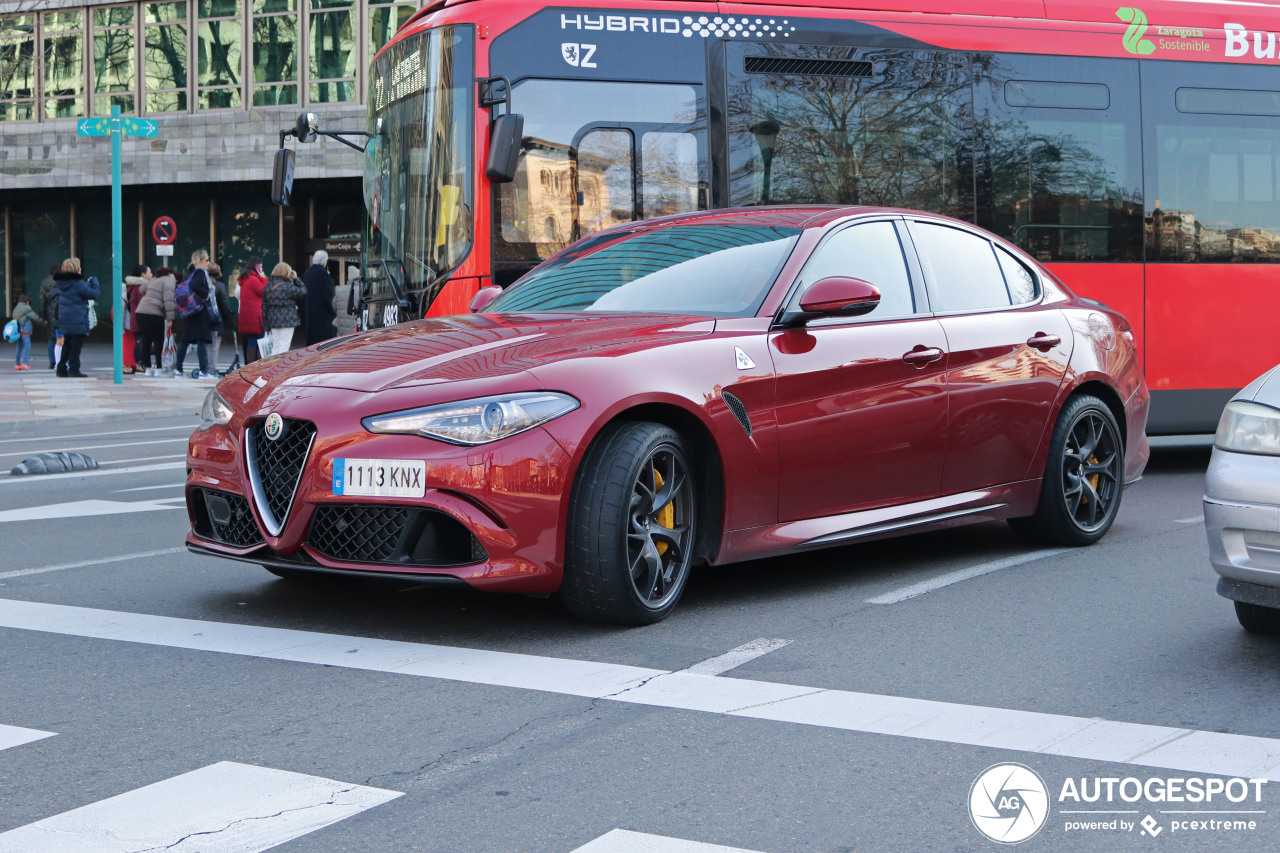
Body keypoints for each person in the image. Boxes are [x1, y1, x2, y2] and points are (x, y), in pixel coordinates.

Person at [53, 257, 100, 378]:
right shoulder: (78, 284)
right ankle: (74, 369)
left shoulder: (61, 283)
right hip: (77, 318)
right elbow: (94, 294)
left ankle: (61, 368)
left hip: (64, 318)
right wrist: (94, 281)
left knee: (67, 343)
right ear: (77, 270)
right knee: (76, 346)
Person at [174, 249, 216, 379]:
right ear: (201, 260)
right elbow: (196, 286)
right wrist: (206, 294)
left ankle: (178, 370)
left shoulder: (190, 272)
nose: (209, 263)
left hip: (189, 310)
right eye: (207, 260)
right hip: (198, 310)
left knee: (185, 339)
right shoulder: (200, 272)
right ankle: (203, 371)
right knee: (202, 339)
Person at [135, 266, 176, 376]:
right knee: (158, 340)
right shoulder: (169, 281)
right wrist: (170, 318)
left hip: (140, 311)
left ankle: (148, 368)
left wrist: (150, 296)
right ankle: (159, 368)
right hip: (154, 313)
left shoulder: (154, 280)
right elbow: (168, 301)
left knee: (146, 339)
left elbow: (141, 289)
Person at [261, 261, 305, 356]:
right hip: (288, 320)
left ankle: (272, 366)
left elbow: (264, 307)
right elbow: (303, 291)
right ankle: (280, 369)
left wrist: (266, 325)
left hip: (273, 321)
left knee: (276, 345)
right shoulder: (288, 287)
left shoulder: (268, 286)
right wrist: (296, 278)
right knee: (284, 346)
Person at [303, 250, 336, 345]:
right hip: (323, 315)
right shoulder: (323, 273)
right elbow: (328, 295)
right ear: (324, 262)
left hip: (311, 312)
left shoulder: (307, 273)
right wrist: (333, 310)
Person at [237, 256, 266, 364]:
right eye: (261, 267)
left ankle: (250, 365)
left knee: (252, 340)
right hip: (256, 316)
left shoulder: (245, 278)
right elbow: (263, 291)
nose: (262, 269)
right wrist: (263, 278)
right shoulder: (254, 279)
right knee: (260, 340)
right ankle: (257, 366)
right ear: (257, 267)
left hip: (247, 316)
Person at [122, 265, 151, 374]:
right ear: (143, 275)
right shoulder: (140, 288)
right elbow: (142, 304)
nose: (151, 275)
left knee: (137, 341)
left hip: (133, 318)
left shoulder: (131, 286)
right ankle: (139, 364)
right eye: (149, 272)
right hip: (139, 319)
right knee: (141, 342)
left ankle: (135, 363)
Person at [207, 262, 232, 375]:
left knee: (207, 344)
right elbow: (225, 305)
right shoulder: (220, 286)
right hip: (216, 319)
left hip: (204, 318)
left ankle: (207, 366)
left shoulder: (203, 282)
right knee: (215, 345)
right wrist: (230, 320)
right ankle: (213, 367)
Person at [11, 294, 44, 370]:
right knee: (27, 346)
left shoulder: (16, 308)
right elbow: (34, 317)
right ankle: (24, 363)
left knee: (19, 347)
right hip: (25, 330)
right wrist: (43, 321)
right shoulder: (26, 308)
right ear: (27, 301)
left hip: (18, 330)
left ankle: (17, 364)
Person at [39, 263, 60, 369]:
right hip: (61, 312)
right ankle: (60, 360)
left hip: (49, 313)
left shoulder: (44, 283)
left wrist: (43, 317)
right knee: (61, 337)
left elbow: (42, 301)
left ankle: (52, 362)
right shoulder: (62, 281)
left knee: (51, 339)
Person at [333, 265, 359, 337]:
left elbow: (334, 307)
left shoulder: (339, 290)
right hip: (355, 328)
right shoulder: (361, 290)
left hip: (342, 329)